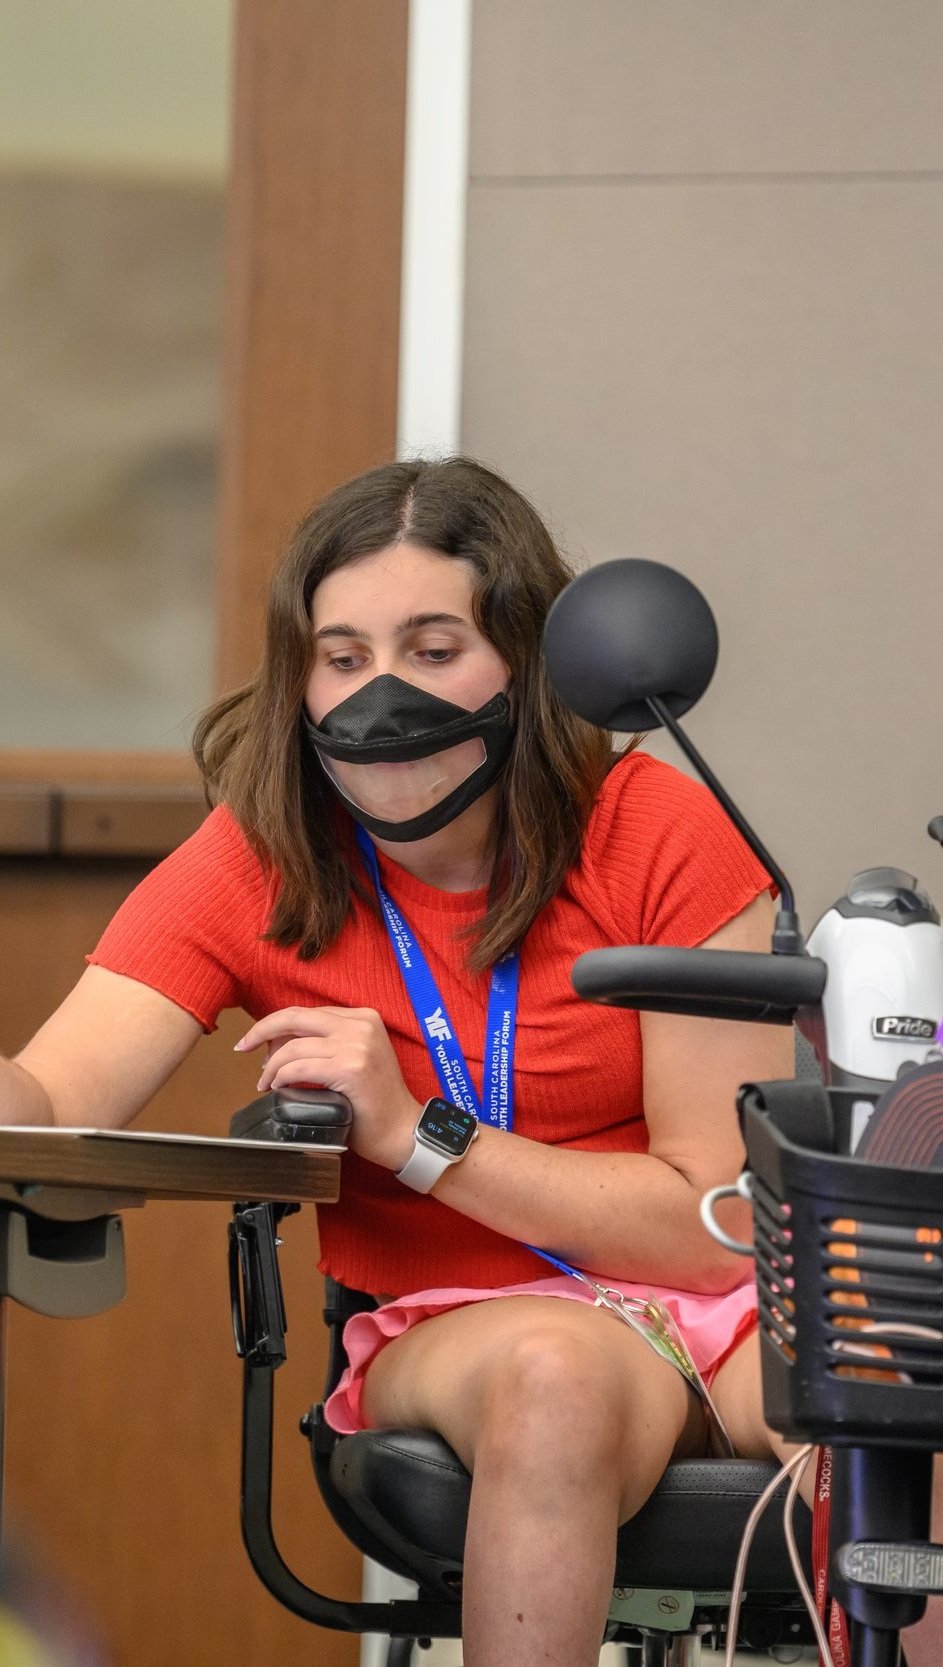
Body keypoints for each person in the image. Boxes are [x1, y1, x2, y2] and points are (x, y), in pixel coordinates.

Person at [0, 456, 796, 1667]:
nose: (381, 693)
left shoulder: (657, 828)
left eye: (432, 649)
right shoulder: (259, 857)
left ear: (526, 663)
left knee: (896, 1388)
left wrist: (417, 1131)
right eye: (342, 655)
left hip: (720, 1304)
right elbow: (49, 1100)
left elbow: (708, 1220)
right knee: (552, 1375)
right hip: (467, 1318)